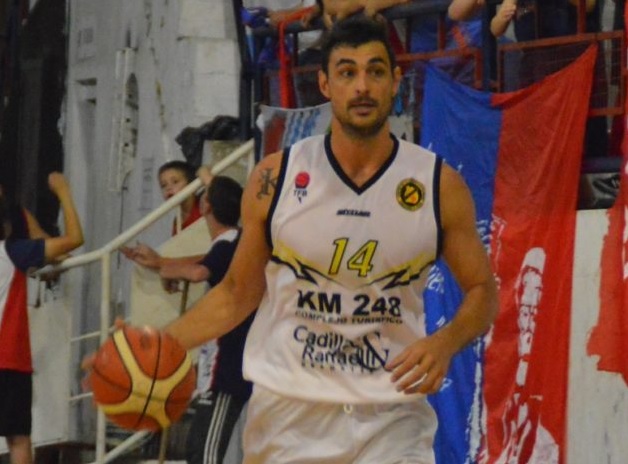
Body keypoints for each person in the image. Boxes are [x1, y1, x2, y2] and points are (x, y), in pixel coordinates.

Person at [90, 16, 497, 462]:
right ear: (324, 84)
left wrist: (445, 341)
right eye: (347, 72)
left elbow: (483, 291)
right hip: (289, 419)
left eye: (376, 71)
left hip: (391, 418)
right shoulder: (277, 178)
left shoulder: (438, 185)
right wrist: (153, 347)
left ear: (396, 81)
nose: (362, 86)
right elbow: (236, 293)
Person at [125, 169, 254, 464]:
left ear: (206, 205)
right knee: (198, 447)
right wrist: (165, 267)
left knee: (206, 452)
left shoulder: (230, 241)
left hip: (228, 363)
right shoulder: (228, 243)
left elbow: (198, 271)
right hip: (217, 362)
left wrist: (167, 270)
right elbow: (201, 262)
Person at [0, 172, 84, 464]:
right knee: (19, 439)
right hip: (9, 359)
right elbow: (74, 240)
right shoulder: (14, 252)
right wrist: (63, 191)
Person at [157, 160, 202, 235]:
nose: (168, 188)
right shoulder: (177, 222)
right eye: (164, 185)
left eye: (175, 182)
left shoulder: (205, 205)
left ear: (190, 183)